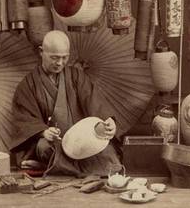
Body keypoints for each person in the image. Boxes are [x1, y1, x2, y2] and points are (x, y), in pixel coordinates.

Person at [10, 30, 122, 177]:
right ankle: (54, 164)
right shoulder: (28, 85)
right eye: (54, 58)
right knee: (44, 148)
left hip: (80, 139)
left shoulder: (76, 76)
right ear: (41, 52)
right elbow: (24, 119)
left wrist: (108, 121)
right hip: (53, 143)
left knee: (107, 152)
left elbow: (93, 102)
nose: (60, 63)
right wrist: (43, 131)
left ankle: (49, 167)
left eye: (64, 58)